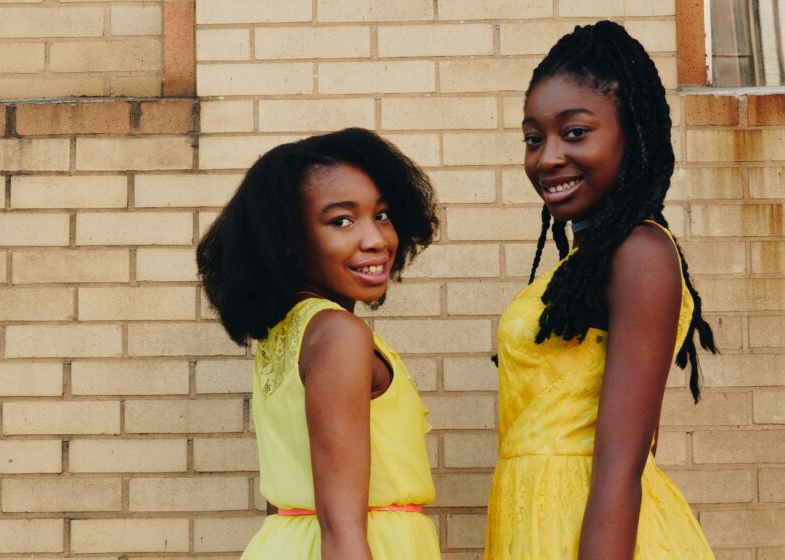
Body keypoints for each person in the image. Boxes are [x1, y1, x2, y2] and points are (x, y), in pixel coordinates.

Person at [485, 21, 718, 559]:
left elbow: (623, 461)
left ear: (630, 135)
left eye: (575, 133)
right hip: (539, 524)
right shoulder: (582, 265)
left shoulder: (639, 253)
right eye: (533, 138)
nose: (546, 158)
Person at [197, 128, 442, 560]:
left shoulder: (293, 334)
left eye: (382, 214)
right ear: (288, 241)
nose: (376, 239)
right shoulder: (338, 335)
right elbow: (341, 525)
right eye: (341, 221)